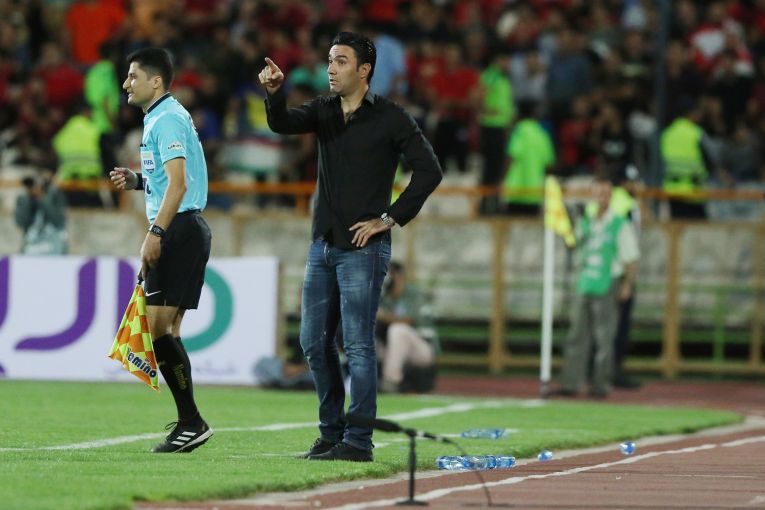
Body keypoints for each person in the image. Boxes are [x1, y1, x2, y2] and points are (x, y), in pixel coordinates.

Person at [260, 32, 442, 462]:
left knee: (358, 345)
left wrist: (388, 219)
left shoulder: (392, 117)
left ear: (364, 70)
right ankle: (331, 434)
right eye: (329, 60)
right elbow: (281, 124)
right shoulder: (323, 109)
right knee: (312, 342)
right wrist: (274, 94)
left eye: (341, 61)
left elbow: (430, 171)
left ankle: (359, 441)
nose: (331, 68)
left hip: (364, 248)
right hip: (323, 243)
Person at [108, 47, 213, 453]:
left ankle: (191, 421)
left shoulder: (166, 119)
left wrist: (156, 232)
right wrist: (139, 180)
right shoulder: (164, 115)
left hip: (179, 229)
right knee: (167, 331)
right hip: (187, 228)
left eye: (133, 76)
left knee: (156, 330)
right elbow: (169, 178)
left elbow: (179, 185)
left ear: (155, 82)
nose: (125, 84)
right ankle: (190, 422)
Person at [556, 176, 639, 398]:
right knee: (577, 336)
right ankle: (571, 382)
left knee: (604, 338)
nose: (602, 197)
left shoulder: (619, 223)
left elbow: (631, 258)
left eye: (606, 193)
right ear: (592, 195)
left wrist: (627, 284)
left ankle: (601, 384)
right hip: (585, 282)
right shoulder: (585, 222)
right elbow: (573, 245)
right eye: (599, 193)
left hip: (607, 283)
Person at [376, 261, 439, 394]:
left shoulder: (414, 293)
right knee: (369, 340)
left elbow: (409, 320)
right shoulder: (385, 297)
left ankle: (391, 380)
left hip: (422, 349)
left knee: (398, 330)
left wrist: (382, 315)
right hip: (395, 349)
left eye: (388, 274)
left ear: (398, 275)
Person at [15, 170, 68, 255]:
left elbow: (58, 220)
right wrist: (28, 200)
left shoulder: (55, 195)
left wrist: (43, 198)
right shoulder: (23, 199)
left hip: (54, 243)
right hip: (31, 243)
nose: (34, 188)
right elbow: (21, 222)